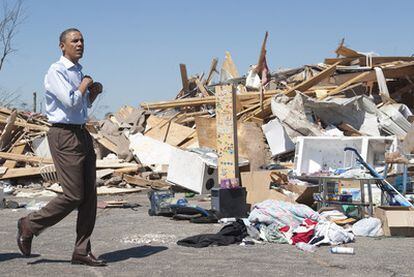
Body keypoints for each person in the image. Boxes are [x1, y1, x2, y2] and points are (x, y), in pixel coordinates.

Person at [16, 28, 106, 267]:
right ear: (62, 46)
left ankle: (81, 250)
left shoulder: (78, 72)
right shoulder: (56, 71)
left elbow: (81, 106)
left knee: (89, 197)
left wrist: (92, 93)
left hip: (81, 133)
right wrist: (86, 84)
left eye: (82, 40)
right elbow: (70, 101)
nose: (80, 44)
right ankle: (29, 224)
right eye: (74, 40)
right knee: (74, 194)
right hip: (64, 135)